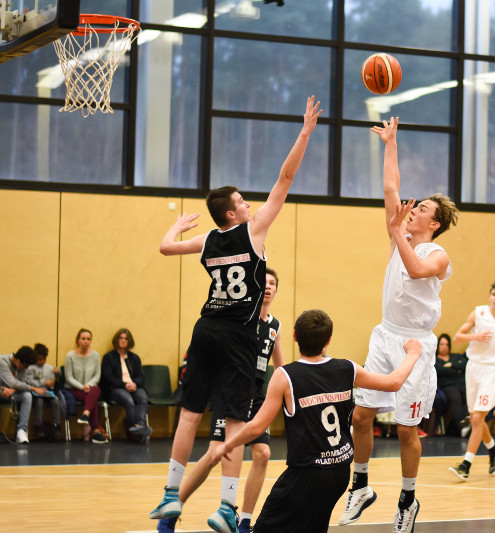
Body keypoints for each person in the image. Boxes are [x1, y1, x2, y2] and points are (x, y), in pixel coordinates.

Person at [149, 96, 321, 533]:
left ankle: (171, 494)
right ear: (233, 213)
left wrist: (178, 225)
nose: (250, 205)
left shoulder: (208, 241)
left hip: (204, 327)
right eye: (243, 202)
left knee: (190, 414)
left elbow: (166, 247)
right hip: (238, 335)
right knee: (235, 423)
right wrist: (305, 132)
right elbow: (286, 177)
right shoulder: (254, 231)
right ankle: (228, 508)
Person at [337, 116, 459, 533]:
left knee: (408, 429)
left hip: (415, 346)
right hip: (385, 335)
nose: (413, 208)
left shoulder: (437, 253)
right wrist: (391, 143)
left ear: (434, 223)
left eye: (422, 208)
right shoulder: (400, 231)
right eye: (416, 205)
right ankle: (361, 485)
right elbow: (391, 187)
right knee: (360, 417)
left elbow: (419, 270)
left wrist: (396, 233)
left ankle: (407, 498)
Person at [209, 309, 424, 533]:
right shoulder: (347, 368)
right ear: (328, 340)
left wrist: (226, 445)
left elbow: (257, 426)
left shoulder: (285, 376)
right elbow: (393, 382)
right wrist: (413, 353)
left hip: (304, 475)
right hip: (340, 472)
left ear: (294, 336)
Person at [156, 268, 286, 533]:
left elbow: (280, 367)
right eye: (265, 282)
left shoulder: (275, 326)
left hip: (257, 394)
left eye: (273, 283)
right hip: (232, 391)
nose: (269, 287)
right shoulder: (241, 318)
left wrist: (288, 393)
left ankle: (245, 521)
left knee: (263, 454)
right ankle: (173, 507)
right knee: (215, 453)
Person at [447, 281, 495, 482]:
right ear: (489, 296)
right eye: (494, 294)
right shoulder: (477, 313)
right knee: (474, 418)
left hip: (493, 370)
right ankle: (494, 450)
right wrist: (476, 336)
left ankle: (466, 464)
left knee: (478, 418)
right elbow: (457, 337)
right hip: (473, 367)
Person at [101, 328, 152, 441]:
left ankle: (139, 425)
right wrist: (124, 385)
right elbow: (108, 377)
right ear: (116, 340)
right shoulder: (109, 357)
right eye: (121, 338)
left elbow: (141, 376)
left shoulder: (134, 357)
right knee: (128, 399)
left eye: (126, 339)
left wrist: (135, 384)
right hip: (116, 388)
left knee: (142, 396)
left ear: (129, 341)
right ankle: (137, 428)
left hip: (134, 386)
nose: (123, 341)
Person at [64, 328, 107, 444]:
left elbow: (97, 375)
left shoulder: (95, 356)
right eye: (83, 338)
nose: (86, 341)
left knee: (95, 390)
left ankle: (85, 415)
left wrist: (89, 385)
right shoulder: (70, 356)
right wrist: (82, 387)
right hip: (74, 389)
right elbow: (69, 377)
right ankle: (96, 432)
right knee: (93, 397)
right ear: (78, 340)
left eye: (88, 339)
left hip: (90, 388)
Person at [0, 346, 42, 443]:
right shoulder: (2, 362)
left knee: (27, 395)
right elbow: (12, 382)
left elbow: (22, 382)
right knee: (28, 390)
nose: (25, 369)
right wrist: (33, 388)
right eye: (25, 366)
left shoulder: (23, 366)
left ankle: (22, 431)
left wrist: (12, 390)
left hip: (9, 393)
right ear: (19, 361)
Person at [24, 343, 63, 440]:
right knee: (39, 401)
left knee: (56, 401)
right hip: (36, 392)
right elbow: (29, 381)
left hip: (47, 392)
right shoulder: (30, 368)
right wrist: (44, 382)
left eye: (43, 360)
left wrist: (57, 373)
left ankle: (56, 425)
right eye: (39, 359)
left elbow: (56, 377)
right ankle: (38, 426)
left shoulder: (49, 367)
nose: (41, 362)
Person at [433, 333, 469, 437]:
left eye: (447, 344)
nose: (444, 347)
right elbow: (439, 370)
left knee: (470, 398)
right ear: (438, 346)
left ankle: (466, 425)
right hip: (447, 385)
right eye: (442, 344)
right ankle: (461, 426)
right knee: (456, 398)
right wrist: (457, 370)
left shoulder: (456, 356)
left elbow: (465, 365)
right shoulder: (435, 359)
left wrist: (451, 365)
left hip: (462, 384)